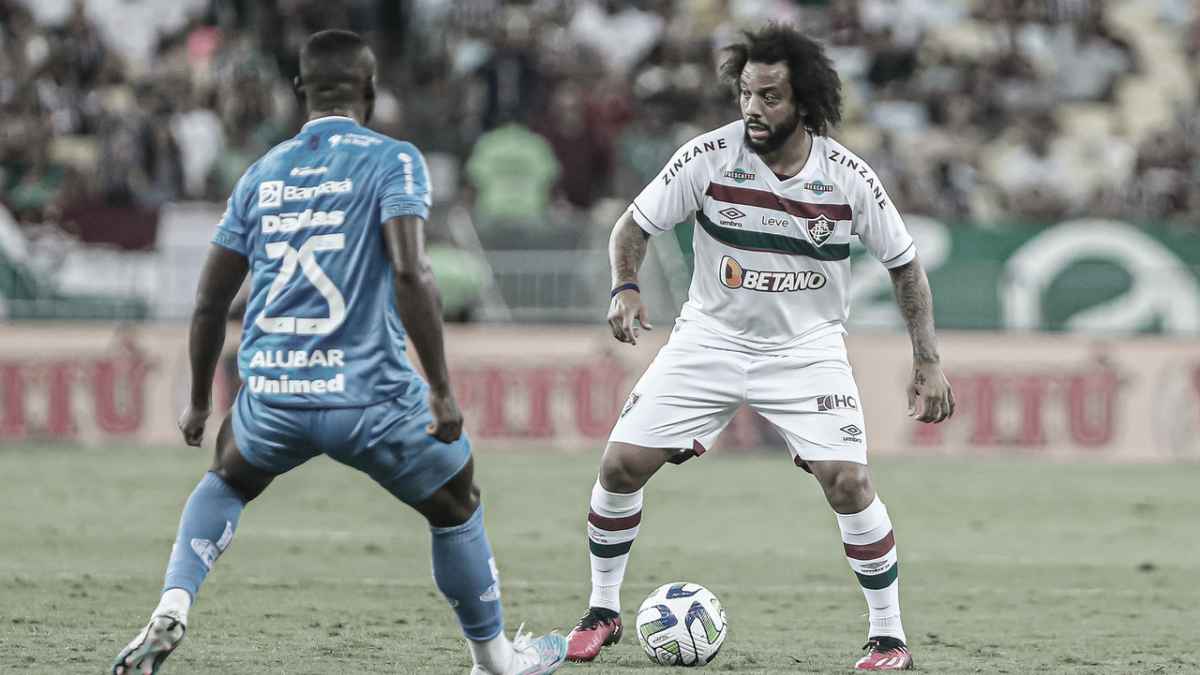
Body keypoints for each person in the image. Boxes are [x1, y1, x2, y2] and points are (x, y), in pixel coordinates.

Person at [112, 30, 567, 675]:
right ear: (372, 92)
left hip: (271, 387)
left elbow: (210, 300)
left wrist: (192, 403)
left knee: (226, 480)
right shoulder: (394, 160)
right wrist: (438, 388)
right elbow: (412, 274)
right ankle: (495, 661)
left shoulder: (261, 173)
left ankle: (174, 604)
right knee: (457, 502)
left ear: (298, 91)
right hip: (368, 394)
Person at [564, 23, 954, 671]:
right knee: (619, 467)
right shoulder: (708, 157)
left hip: (806, 350)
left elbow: (906, 266)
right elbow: (632, 225)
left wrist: (928, 359)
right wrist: (625, 287)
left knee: (850, 481)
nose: (753, 107)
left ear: (804, 100)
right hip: (708, 340)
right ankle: (603, 610)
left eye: (770, 96)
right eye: (746, 92)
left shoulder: (848, 176)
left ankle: (889, 637)